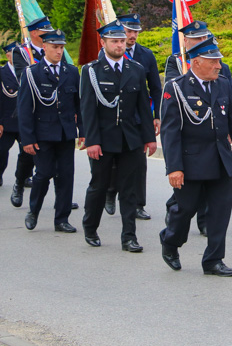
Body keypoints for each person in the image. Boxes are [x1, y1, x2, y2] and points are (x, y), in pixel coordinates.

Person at [160, 37, 232, 276]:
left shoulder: (223, 84)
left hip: (221, 160)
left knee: (220, 212)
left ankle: (213, 260)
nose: (219, 66)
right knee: (185, 209)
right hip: (191, 162)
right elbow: (170, 133)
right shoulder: (176, 87)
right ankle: (170, 241)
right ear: (196, 62)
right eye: (213, 61)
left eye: (219, 61)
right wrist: (174, 168)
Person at [79, 20, 157, 251]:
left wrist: (149, 137)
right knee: (99, 186)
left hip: (130, 139)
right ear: (103, 43)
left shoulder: (136, 69)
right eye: (114, 41)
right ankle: (90, 227)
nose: (119, 45)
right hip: (103, 140)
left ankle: (129, 237)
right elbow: (88, 109)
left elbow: (143, 107)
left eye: (122, 41)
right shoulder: (91, 71)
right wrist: (91, 140)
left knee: (130, 189)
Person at [163, 20, 231, 235]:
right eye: (197, 39)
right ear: (186, 41)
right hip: (190, 142)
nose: (201, 41)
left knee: (216, 204)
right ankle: (174, 228)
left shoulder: (220, 67)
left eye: (204, 38)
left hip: (214, 144)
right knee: (187, 203)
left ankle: (206, 227)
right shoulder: (176, 62)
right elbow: (176, 97)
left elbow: (230, 100)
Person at [17, 30, 80, 233]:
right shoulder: (32, 73)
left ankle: (61, 219)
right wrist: (27, 139)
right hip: (43, 134)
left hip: (65, 133)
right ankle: (33, 210)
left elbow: (79, 105)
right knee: (43, 175)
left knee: (66, 176)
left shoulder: (71, 72)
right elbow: (25, 109)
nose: (59, 51)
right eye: (55, 47)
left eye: (61, 47)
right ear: (44, 47)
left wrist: (84, 131)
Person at [103, 13, 162, 221]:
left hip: (137, 117)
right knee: (112, 161)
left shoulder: (146, 55)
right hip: (113, 117)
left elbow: (155, 87)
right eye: (129, 31)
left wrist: (157, 116)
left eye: (136, 31)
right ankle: (110, 191)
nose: (133, 35)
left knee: (138, 162)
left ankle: (138, 204)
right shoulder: (106, 55)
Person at [0, 42, 33, 196]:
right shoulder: (1, 73)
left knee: (28, 152)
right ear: (8, 55)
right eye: (15, 53)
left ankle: (24, 176)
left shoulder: (28, 71)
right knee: (1, 151)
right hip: (6, 121)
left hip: (23, 121)